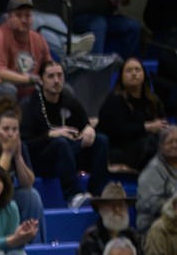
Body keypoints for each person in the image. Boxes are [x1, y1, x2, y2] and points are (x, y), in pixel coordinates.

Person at [20, 59, 110, 206]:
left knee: (101, 141)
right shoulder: (30, 104)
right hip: (42, 159)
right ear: (41, 81)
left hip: (68, 154)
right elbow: (25, 143)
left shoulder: (68, 100)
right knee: (60, 142)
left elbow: (85, 124)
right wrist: (50, 135)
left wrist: (88, 129)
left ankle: (97, 193)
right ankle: (73, 195)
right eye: (51, 76)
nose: (56, 80)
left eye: (60, 75)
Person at [96, 56, 168, 174]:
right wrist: (147, 127)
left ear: (144, 74)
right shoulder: (115, 100)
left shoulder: (153, 101)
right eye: (129, 71)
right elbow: (117, 132)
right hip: (120, 149)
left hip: (146, 146)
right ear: (121, 76)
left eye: (137, 70)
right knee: (151, 143)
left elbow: (163, 125)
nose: (134, 74)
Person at [0, 0, 51, 101]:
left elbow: (48, 66)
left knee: (59, 88)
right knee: (7, 90)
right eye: (19, 15)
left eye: (28, 15)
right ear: (9, 17)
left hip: (26, 92)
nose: (24, 20)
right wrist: (29, 79)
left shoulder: (38, 39)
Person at [135, 125, 177, 236]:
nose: (175, 145)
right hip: (154, 224)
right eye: (170, 142)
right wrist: (173, 206)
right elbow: (150, 203)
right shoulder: (152, 170)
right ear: (161, 146)